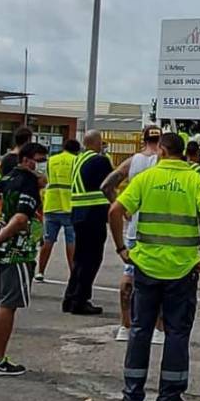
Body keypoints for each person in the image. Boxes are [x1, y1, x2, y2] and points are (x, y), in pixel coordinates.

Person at [111, 133, 200, 401]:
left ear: (161, 150)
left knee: (139, 330)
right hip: (182, 270)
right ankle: (169, 399)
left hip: (146, 266)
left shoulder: (146, 178)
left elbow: (115, 209)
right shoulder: (195, 179)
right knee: (176, 333)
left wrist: (122, 248)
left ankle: (131, 398)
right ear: (182, 152)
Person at [0, 142, 48, 376]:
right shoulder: (28, 184)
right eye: (40, 160)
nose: (43, 166)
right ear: (26, 160)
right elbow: (21, 219)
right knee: (7, 305)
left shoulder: (2, 181)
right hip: (17, 252)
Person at [101, 126, 164, 341]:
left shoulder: (133, 161)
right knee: (161, 278)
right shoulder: (164, 162)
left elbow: (107, 185)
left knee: (129, 276)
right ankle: (158, 328)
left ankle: (125, 326)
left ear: (143, 140)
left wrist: (123, 209)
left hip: (135, 228)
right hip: (159, 229)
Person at [63, 130, 112, 315]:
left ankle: (70, 297)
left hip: (78, 214)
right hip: (93, 215)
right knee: (92, 259)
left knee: (80, 258)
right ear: (96, 142)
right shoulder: (100, 161)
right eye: (101, 142)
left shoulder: (79, 159)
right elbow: (109, 184)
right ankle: (80, 300)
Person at [35, 139, 80, 282]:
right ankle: (73, 273)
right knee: (71, 241)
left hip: (52, 204)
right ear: (77, 150)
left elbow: (44, 179)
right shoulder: (76, 160)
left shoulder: (51, 160)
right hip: (69, 205)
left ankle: (40, 272)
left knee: (48, 240)